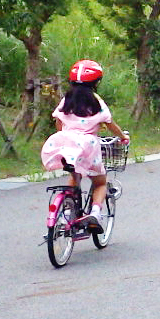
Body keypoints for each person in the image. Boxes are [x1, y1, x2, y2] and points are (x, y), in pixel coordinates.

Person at [40, 59, 129, 233]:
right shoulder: (96, 101)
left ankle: (67, 209)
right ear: (96, 82)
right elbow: (109, 123)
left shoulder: (67, 99)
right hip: (88, 145)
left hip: (65, 142)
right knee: (100, 182)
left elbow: (59, 121)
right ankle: (95, 212)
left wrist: (64, 133)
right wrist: (122, 137)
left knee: (74, 174)